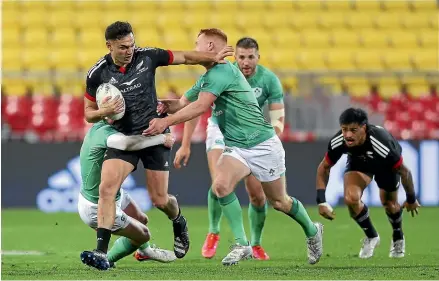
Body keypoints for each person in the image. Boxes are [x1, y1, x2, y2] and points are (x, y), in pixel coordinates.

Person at [144, 28, 323, 266]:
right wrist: (168, 106)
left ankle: (312, 231)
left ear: (209, 48)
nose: (194, 49)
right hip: (238, 147)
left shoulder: (222, 72)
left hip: (263, 145)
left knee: (280, 202)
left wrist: (165, 122)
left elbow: (200, 107)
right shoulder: (208, 77)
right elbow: (184, 104)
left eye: (197, 44)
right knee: (220, 185)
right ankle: (242, 243)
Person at [81, 21, 233, 270]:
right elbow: (88, 114)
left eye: (131, 45)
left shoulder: (147, 56)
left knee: (160, 200)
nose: (129, 50)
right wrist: (103, 111)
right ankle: (100, 251)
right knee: (107, 190)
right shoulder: (97, 73)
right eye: (123, 47)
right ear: (109, 46)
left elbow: (184, 56)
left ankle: (178, 220)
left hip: (155, 133)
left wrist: (211, 57)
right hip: (125, 140)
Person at [173, 37, 284, 260]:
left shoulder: (269, 80)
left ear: (258, 57)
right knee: (220, 183)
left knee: (257, 195)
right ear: (235, 57)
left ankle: (256, 243)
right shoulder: (222, 73)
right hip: (219, 128)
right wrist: (185, 144)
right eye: (241, 57)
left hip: (253, 136)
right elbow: (196, 106)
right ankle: (214, 232)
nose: (245, 62)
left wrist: (269, 143)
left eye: (250, 57)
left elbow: (277, 119)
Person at [315, 107, 420, 259]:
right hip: (359, 163)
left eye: (353, 130)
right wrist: (321, 201)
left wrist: (411, 199)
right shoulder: (339, 141)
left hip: (385, 166)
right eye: (344, 129)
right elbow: (324, 167)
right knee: (351, 198)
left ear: (363, 128)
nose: (348, 135)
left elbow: (405, 172)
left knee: (390, 204)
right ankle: (371, 236)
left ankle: (398, 236)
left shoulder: (382, 143)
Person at [79, 120, 177, 268]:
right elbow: (127, 144)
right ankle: (107, 259)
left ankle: (143, 252)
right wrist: (161, 138)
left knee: (142, 219)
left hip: (114, 194)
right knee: (144, 235)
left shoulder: (100, 125)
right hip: (95, 205)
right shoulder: (105, 133)